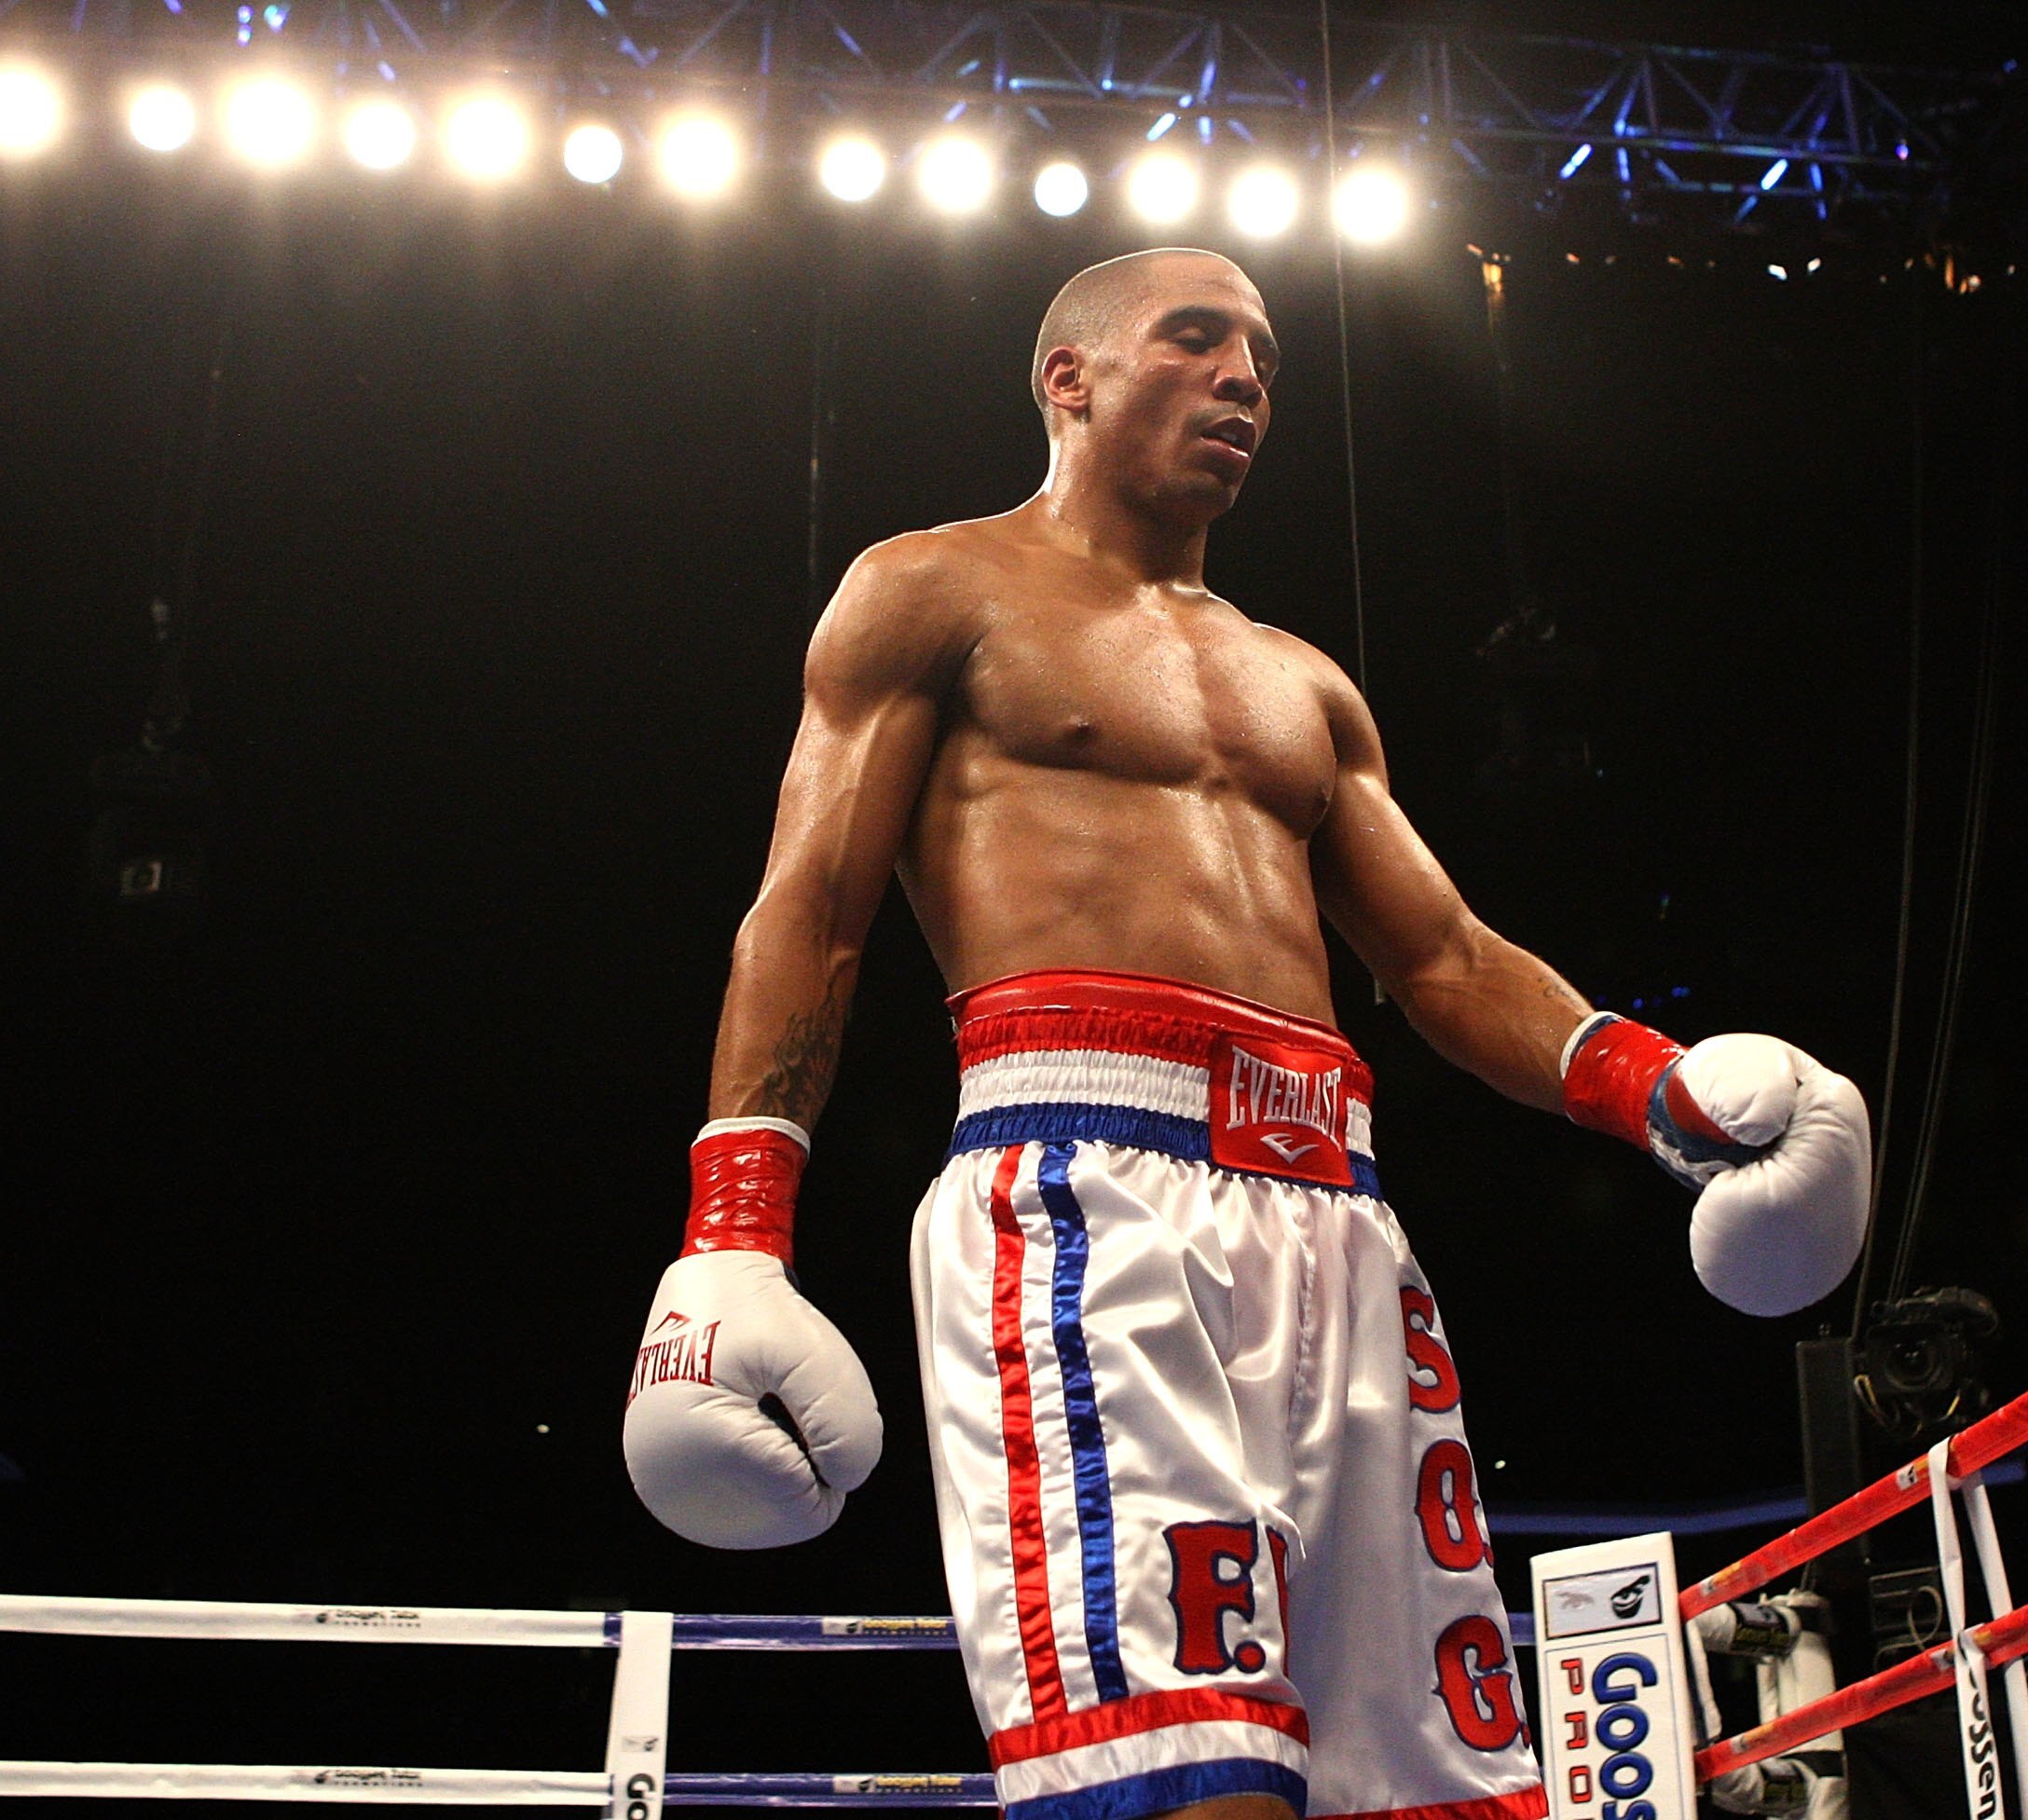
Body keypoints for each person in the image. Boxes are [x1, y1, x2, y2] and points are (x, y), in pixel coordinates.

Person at [621, 249, 1873, 1820]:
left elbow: (1445, 958)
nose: (1244, 380)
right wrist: (732, 1236)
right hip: (1089, 1193)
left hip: (1339, 1227)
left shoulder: (1307, 686)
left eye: (1265, 359)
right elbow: (810, 912)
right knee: (1190, 1770)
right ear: (1065, 379)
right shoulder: (933, 588)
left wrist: (1662, 1093)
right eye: (1196, 341)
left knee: (1429, 1786)